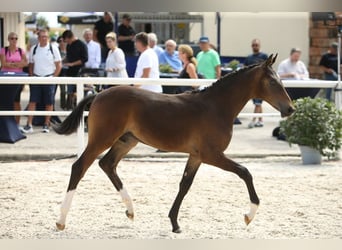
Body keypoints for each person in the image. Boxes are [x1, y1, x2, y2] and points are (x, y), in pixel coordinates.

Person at [22, 29, 62, 133]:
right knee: (32, 101)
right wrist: (31, 76)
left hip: (49, 78)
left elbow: (59, 65)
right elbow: (31, 64)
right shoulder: (34, 49)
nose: (44, 38)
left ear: (48, 38)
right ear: (38, 38)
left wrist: (54, 77)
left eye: (46, 36)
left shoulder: (53, 48)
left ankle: (46, 124)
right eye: (42, 36)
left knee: (49, 102)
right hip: (36, 78)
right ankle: (29, 125)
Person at [0, 32, 28, 128]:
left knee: (16, 100)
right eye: (12, 38)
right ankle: (4, 122)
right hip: (5, 78)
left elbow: (25, 62)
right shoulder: (4, 50)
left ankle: (17, 123)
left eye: (16, 38)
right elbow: (3, 63)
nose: (14, 40)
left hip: (17, 78)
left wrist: (11, 64)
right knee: (5, 100)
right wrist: (16, 64)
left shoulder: (21, 51)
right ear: (8, 39)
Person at [244, 39, 268, 128]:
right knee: (257, 103)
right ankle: (260, 120)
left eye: (256, 45)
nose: (255, 46)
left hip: (261, 84)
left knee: (258, 103)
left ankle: (253, 121)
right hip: (252, 84)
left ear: (260, 45)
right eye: (253, 45)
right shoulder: (249, 58)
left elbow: (268, 69)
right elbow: (245, 70)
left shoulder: (264, 56)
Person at [62, 30, 88, 110]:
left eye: (68, 41)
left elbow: (85, 59)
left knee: (78, 91)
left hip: (79, 72)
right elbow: (68, 57)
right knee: (70, 92)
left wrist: (73, 64)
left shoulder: (81, 45)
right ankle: (70, 107)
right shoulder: (69, 46)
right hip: (70, 72)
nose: (67, 43)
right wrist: (63, 61)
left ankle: (78, 108)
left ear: (71, 37)